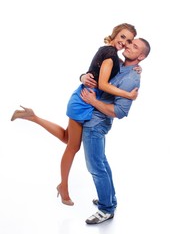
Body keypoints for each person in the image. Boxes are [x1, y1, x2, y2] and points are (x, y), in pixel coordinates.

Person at [11, 23, 138, 206]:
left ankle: (33, 117)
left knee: (67, 137)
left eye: (129, 40)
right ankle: (63, 186)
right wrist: (128, 95)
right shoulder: (110, 54)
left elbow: (100, 73)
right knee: (72, 146)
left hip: (83, 98)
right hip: (84, 101)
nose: (124, 42)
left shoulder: (109, 52)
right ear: (115, 34)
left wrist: (135, 69)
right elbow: (102, 84)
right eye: (122, 36)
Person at [79, 38, 151, 224]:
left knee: (95, 167)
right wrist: (82, 77)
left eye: (135, 46)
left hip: (96, 124)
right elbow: (95, 71)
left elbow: (120, 112)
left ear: (141, 56)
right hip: (94, 121)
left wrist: (93, 102)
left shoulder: (131, 78)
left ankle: (106, 210)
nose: (128, 46)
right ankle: (110, 200)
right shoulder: (119, 64)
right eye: (129, 42)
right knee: (101, 162)